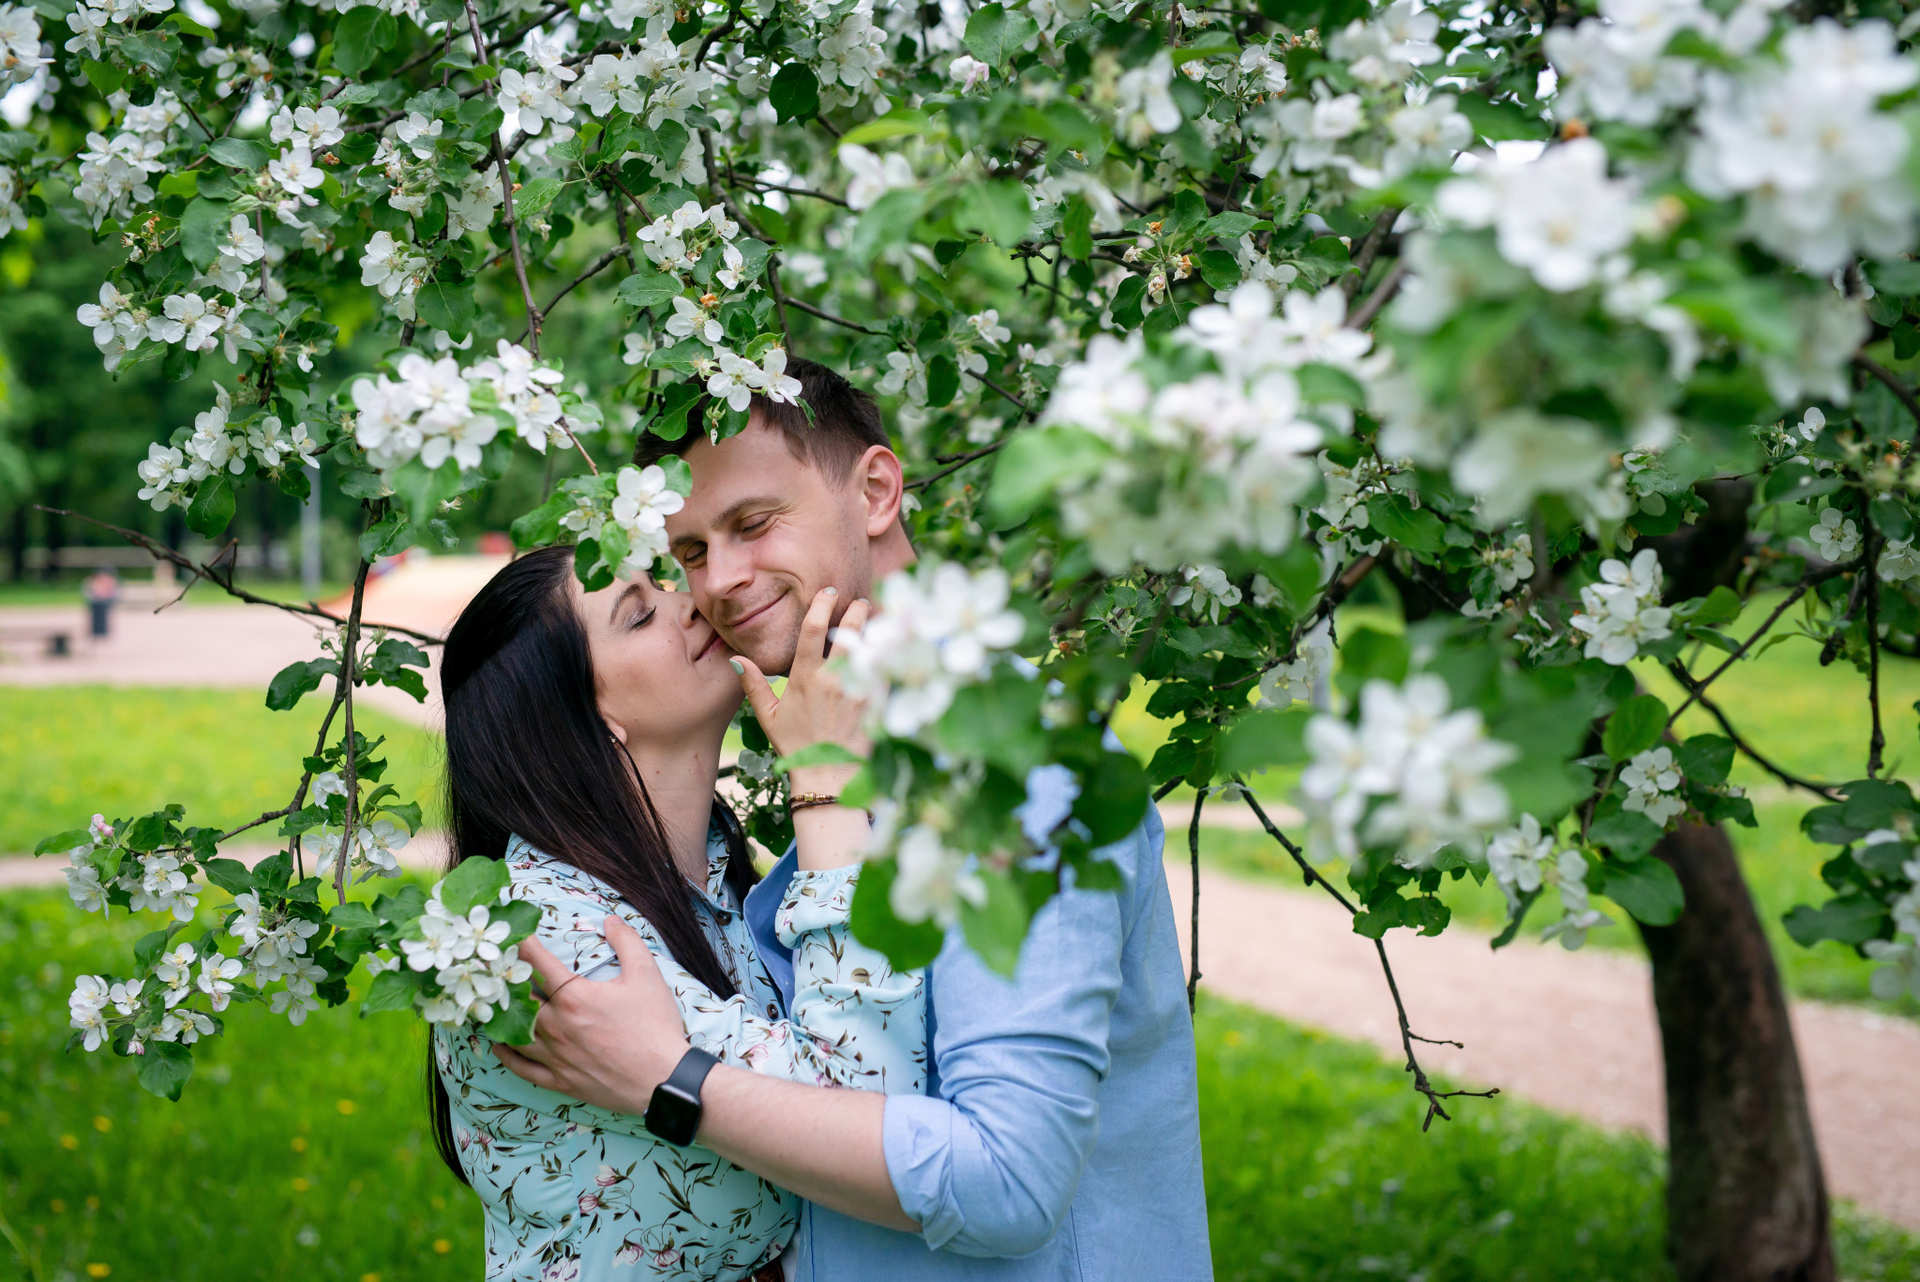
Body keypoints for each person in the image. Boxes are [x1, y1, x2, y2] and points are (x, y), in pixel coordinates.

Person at [496, 360, 1213, 1280]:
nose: (719, 583)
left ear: (875, 491)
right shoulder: (849, 757)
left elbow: (1008, 1181)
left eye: (754, 523)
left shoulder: (1011, 762)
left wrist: (672, 1082)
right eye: (692, 552)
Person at [431, 543, 927, 1280]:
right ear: (584, 721)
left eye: (665, 583)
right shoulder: (541, 937)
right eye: (641, 616)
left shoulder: (715, 875)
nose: (694, 601)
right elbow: (869, 1123)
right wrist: (824, 785)